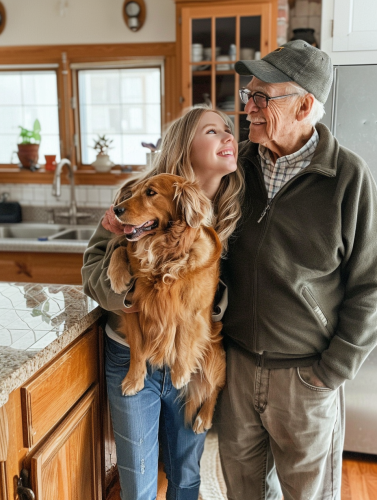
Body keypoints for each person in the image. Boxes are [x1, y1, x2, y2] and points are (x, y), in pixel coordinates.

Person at [216, 40, 377, 500]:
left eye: (263, 98)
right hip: (239, 366)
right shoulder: (239, 167)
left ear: (305, 105)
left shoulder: (348, 177)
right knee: (242, 492)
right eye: (249, 96)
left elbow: (371, 286)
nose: (249, 110)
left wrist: (333, 371)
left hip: (307, 377)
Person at [82, 107, 244, 500]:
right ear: (184, 146)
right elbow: (90, 270)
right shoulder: (136, 196)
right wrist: (127, 295)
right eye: (212, 131)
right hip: (131, 352)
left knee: (186, 474)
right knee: (137, 479)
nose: (228, 137)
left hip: (192, 357)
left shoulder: (237, 208)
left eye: (229, 131)